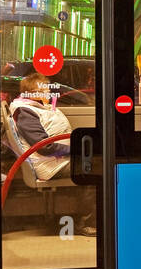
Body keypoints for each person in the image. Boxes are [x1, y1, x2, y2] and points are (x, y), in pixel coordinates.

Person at [9, 72, 93, 236]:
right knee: (92, 169)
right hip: (49, 164)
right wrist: (74, 150)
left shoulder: (38, 108)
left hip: (56, 159)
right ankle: (85, 222)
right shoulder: (25, 113)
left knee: (93, 160)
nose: (49, 93)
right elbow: (44, 146)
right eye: (46, 90)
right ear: (35, 93)